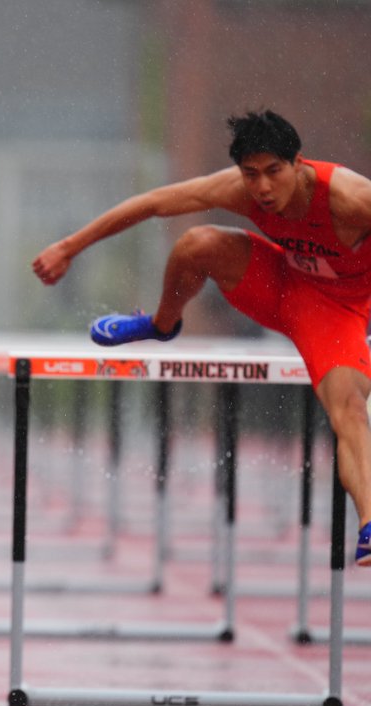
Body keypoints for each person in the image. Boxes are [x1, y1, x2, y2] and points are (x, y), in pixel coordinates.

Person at [32, 109, 371, 568]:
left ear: (298, 164)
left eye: (274, 172)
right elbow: (153, 203)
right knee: (197, 243)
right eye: (252, 175)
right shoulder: (240, 190)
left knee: (348, 409)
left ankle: (369, 523)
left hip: (338, 313)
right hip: (282, 286)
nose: (264, 189)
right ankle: (162, 323)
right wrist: (68, 247)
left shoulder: (351, 199)